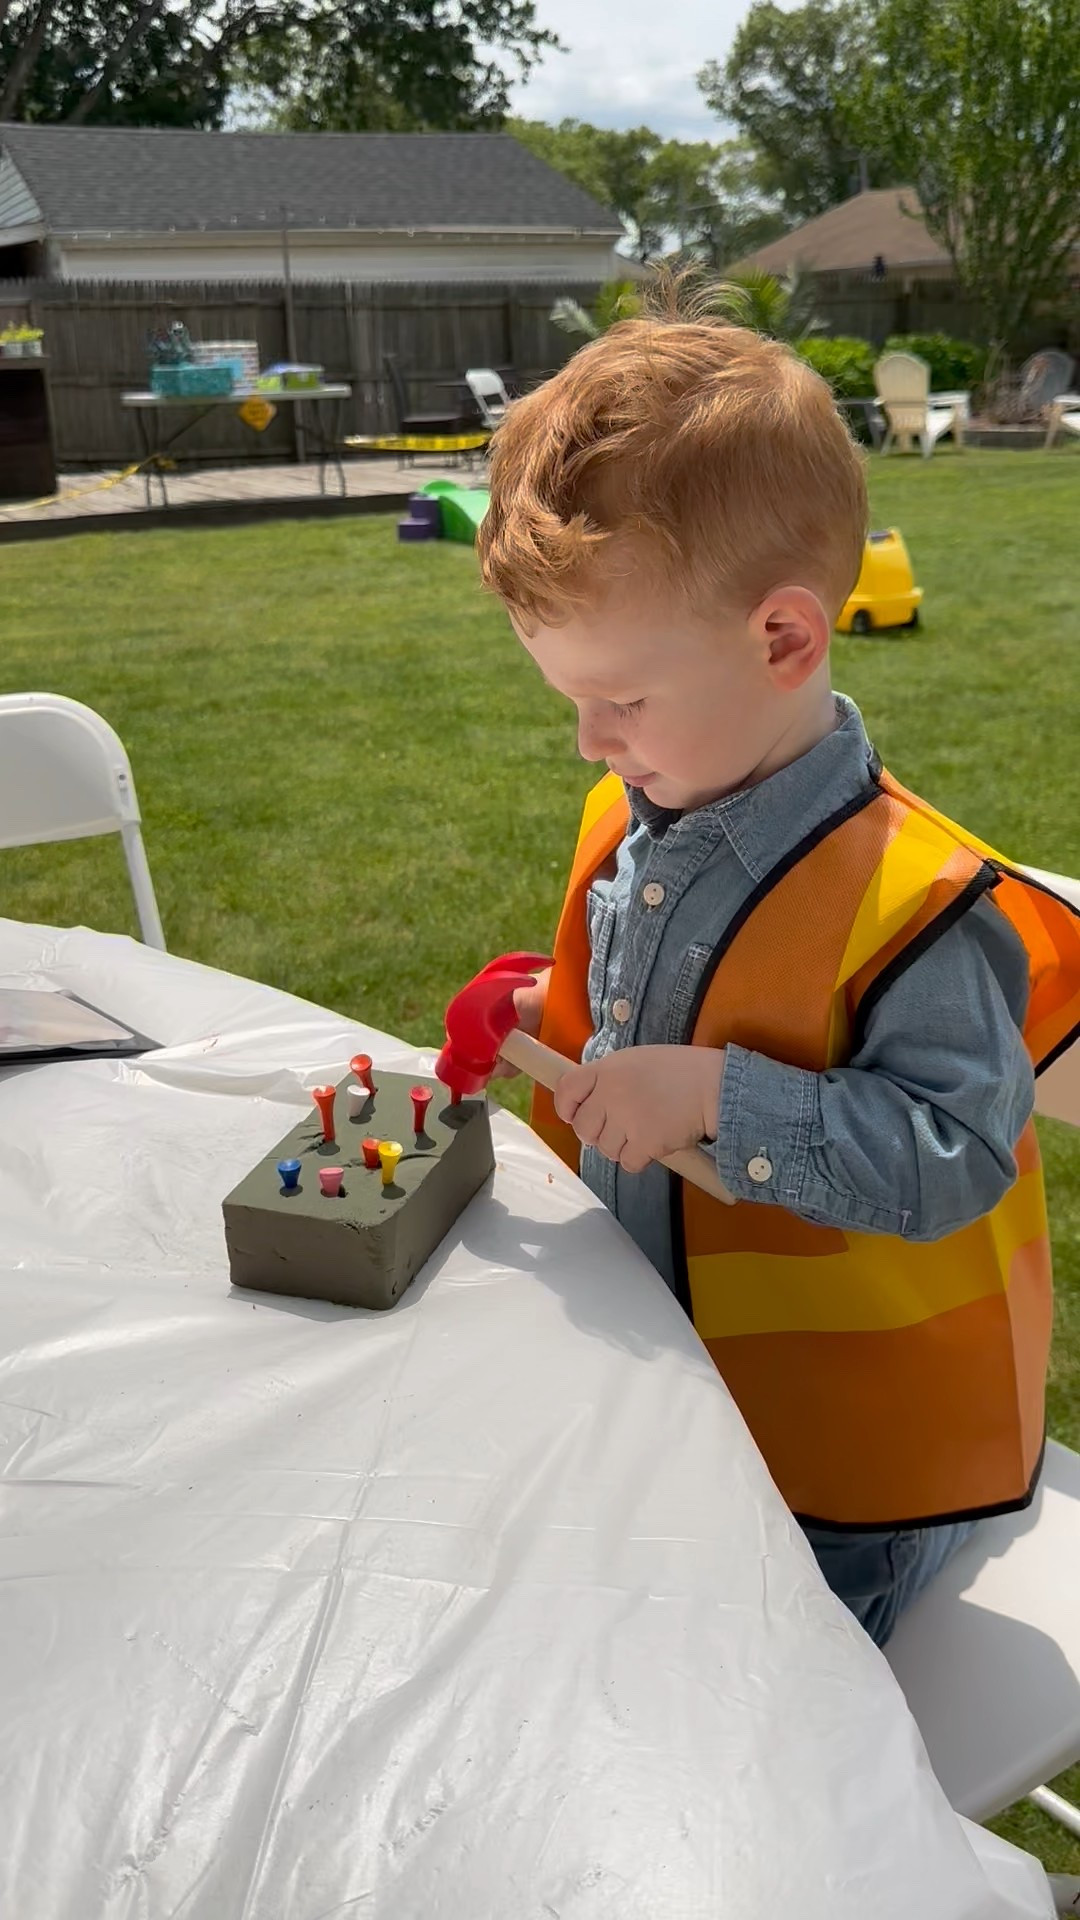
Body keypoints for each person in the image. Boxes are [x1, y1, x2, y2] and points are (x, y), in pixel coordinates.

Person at [474, 297, 1080, 1648]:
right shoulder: (639, 812)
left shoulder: (920, 905)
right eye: (566, 697)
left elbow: (950, 1156)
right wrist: (550, 1008)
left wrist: (712, 1097)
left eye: (619, 697)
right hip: (675, 1401)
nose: (586, 739)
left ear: (786, 639)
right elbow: (662, 1009)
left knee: (723, 1730)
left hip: (847, 1482)